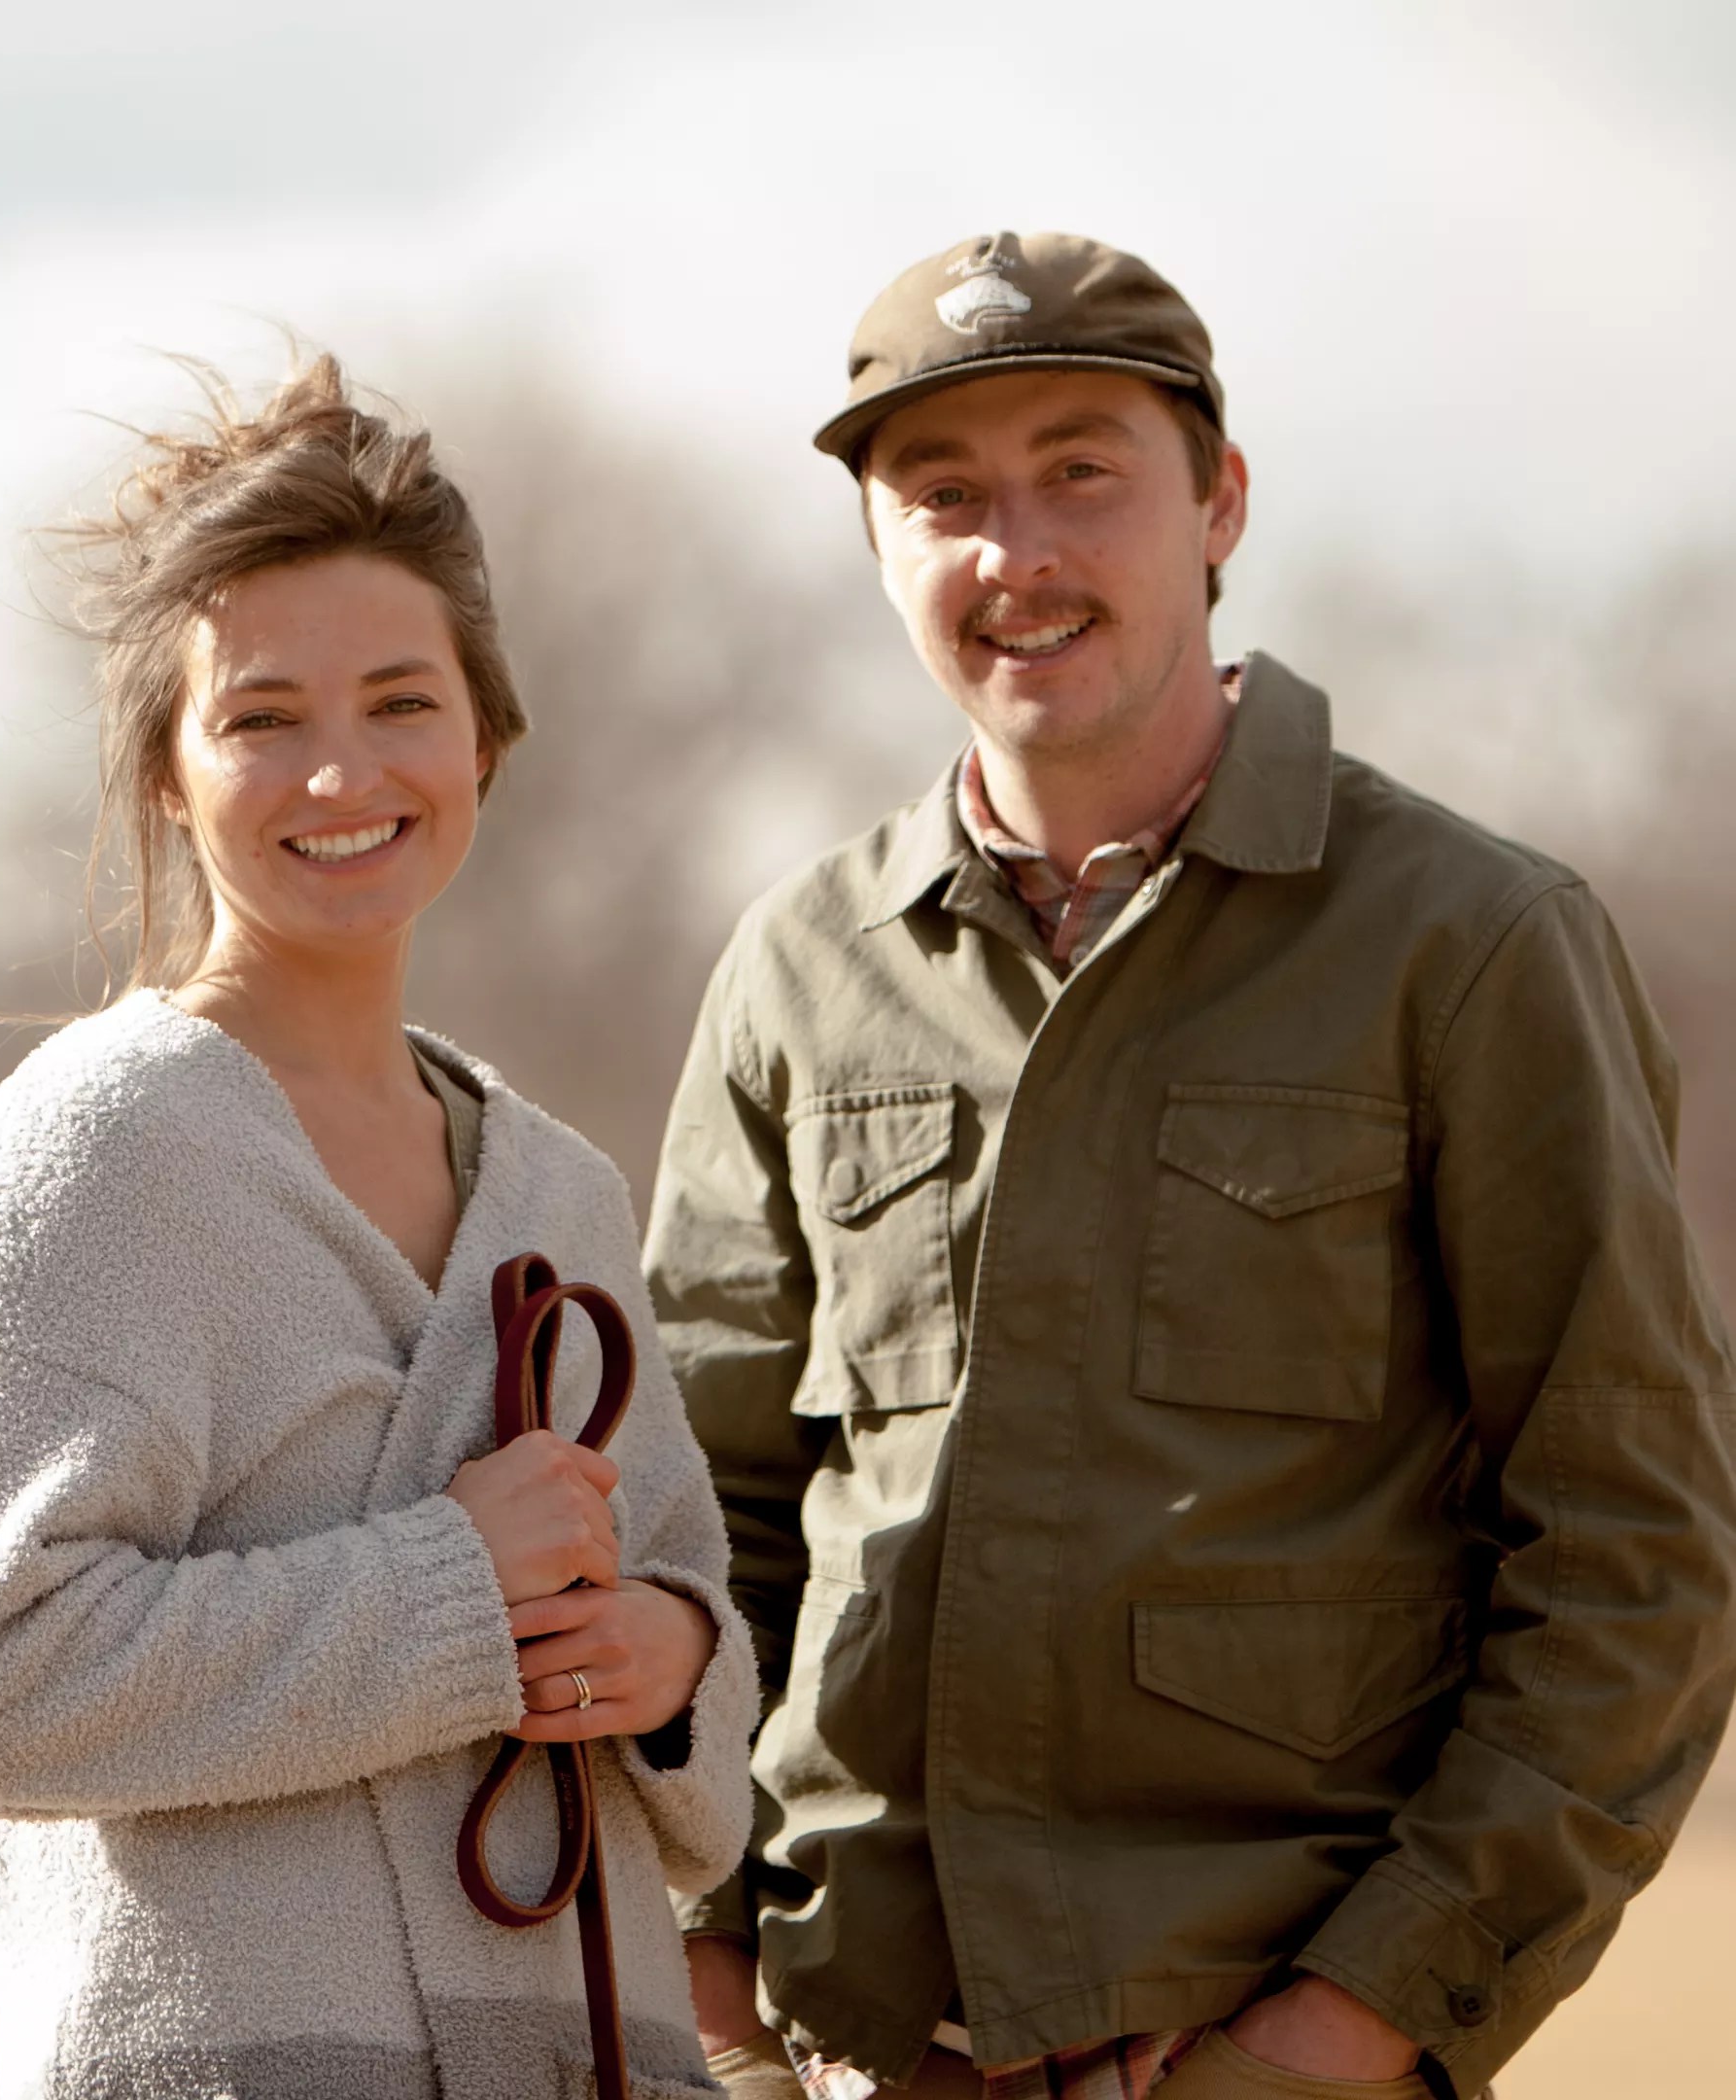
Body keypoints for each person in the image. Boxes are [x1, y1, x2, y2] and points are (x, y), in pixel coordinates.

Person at [648, 230, 1736, 2100]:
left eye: (1082, 472)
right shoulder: (800, 967)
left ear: (1220, 501)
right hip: (849, 2047)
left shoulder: (1469, 943)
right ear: (879, 546)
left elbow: (1632, 1553)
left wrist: (1348, 2029)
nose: (1017, 554)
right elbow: (703, 1524)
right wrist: (715, 1991)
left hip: (1261, 2037)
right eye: (944, 495)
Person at [0, 355, 762, 2098]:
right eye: (263, 718)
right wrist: (456, 1592)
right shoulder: (106, 1147)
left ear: (486, 737)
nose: (341, 770)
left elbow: (694, 1704)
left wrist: (666, 1664)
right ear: (168, 773)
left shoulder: (561, 1190)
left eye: (401, 701)